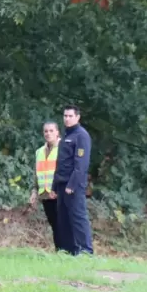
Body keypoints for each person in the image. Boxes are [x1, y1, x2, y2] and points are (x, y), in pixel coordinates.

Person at [52, 104, 94, 255]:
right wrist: (54, 186)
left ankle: (86, 250)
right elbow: (61, 163)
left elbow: (81, 164)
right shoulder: (66, 136)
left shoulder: (81, 136)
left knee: (78, 217)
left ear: (77, 117)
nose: (67, 119)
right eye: (65, 116)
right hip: (62, 184)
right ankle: (69, 251)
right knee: (63, 220)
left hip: (73, 185)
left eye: (70, 116)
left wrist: (73, 184)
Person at [29, 121, 62, 251]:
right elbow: (37, 174)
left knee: (63, 225)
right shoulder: (39, 152)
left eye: (51, 131)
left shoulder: (64, 148)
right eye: (46, 131)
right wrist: (34, 191)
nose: (48, 133)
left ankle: (68, 252)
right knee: (54, 225)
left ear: (57, 132)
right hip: (45, 194)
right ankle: (59, 252)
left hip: (60, 194)